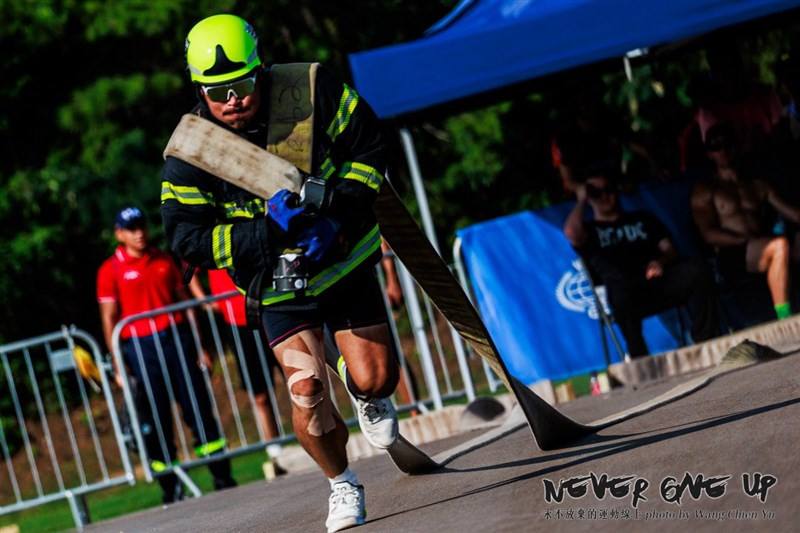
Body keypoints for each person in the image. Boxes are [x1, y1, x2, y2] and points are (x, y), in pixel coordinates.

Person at [160, 14, 399, 531]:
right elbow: (186, 239)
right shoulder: (188, 155)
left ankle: (364, 395)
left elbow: (371, 149)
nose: (234, 100)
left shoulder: (312, 90)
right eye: (218, 91)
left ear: (261, 70)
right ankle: (342, 484)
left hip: (343, 261)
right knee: (306, 390)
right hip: (276, 285)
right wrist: (263, 234)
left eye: (243, 84)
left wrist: (338, 212)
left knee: (376, 378)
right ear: (199, 90)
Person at [97, 206, 236, 503]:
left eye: (142, 226)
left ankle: (222, 476)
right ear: (119, 234)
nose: (139, 233)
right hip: (140, 347)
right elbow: (109, 319)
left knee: (197, 406)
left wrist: (201, 347)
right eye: (131, 228)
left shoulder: (163, 260)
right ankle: (169, 486)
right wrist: (118, 364)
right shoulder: (110, 270)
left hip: (177, 339)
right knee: (156, 417)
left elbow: (185, 302)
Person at [563, 167, 720, 357]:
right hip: (625, 293)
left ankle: (706, 341)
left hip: (658, 282)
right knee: (619, 290)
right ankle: (639, 356)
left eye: (609, 189)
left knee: (696, 269)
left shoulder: (643, 219)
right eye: (596, 193)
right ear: (590, 198)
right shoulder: (590, 231)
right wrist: (582, 199)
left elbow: (669, 249)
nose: (605, 196)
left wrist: (660, 262)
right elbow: (571, 233)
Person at [691, 123, 800, 320]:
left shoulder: (757, 185)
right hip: (732, 252)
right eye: (716, 147)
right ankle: (785, 319)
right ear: (710, 154)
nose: (723, 151)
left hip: (762, 244)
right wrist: (742, 239)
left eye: (727, 144)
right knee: (780, 246)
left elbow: (793, 214)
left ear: (735, 146)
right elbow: (708, 234)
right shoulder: (706, 190)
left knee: (785, 243)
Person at [190, 268, 286, 468]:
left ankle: (319, 430)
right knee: (259, 394)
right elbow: (188, 270)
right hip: (237, 321)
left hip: (269, 307)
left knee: (299, 379)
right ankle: (274, 448)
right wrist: (204, 300)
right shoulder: (204, 238)